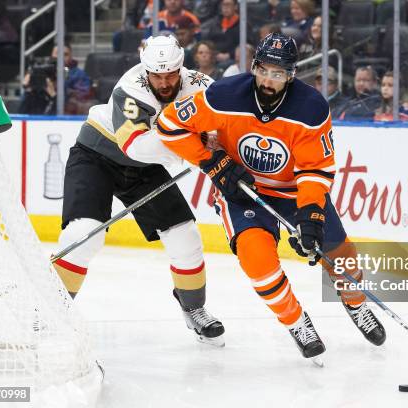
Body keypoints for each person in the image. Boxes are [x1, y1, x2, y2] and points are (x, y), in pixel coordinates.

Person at [123, 33, 387, 361]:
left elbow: (315, 170)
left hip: (292, 190)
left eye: (278, 73)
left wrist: (310, 215)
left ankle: (356, 303)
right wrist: (209, 160)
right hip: (241, 193)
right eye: (263, 70)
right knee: (256, 259)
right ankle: (296, 321)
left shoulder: (311, 107)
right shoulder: (223, 95)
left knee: (340, 251)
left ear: (291, 75)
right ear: (253, 67)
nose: (268, 79)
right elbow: (169, 125)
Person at [52, 35, 225, 346]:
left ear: (181, 67)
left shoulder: (201, 84)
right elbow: (136, 146)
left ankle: (194, 309)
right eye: (156, 76)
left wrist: (218, 137)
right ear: (146, 71)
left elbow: (227, 123)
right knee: (84, 234)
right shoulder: (131, 86)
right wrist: (200, 149)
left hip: (143, 169)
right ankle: (53, 311)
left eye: (170, 74)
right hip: (97, 155)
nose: (163, 82)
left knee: (185, 235)